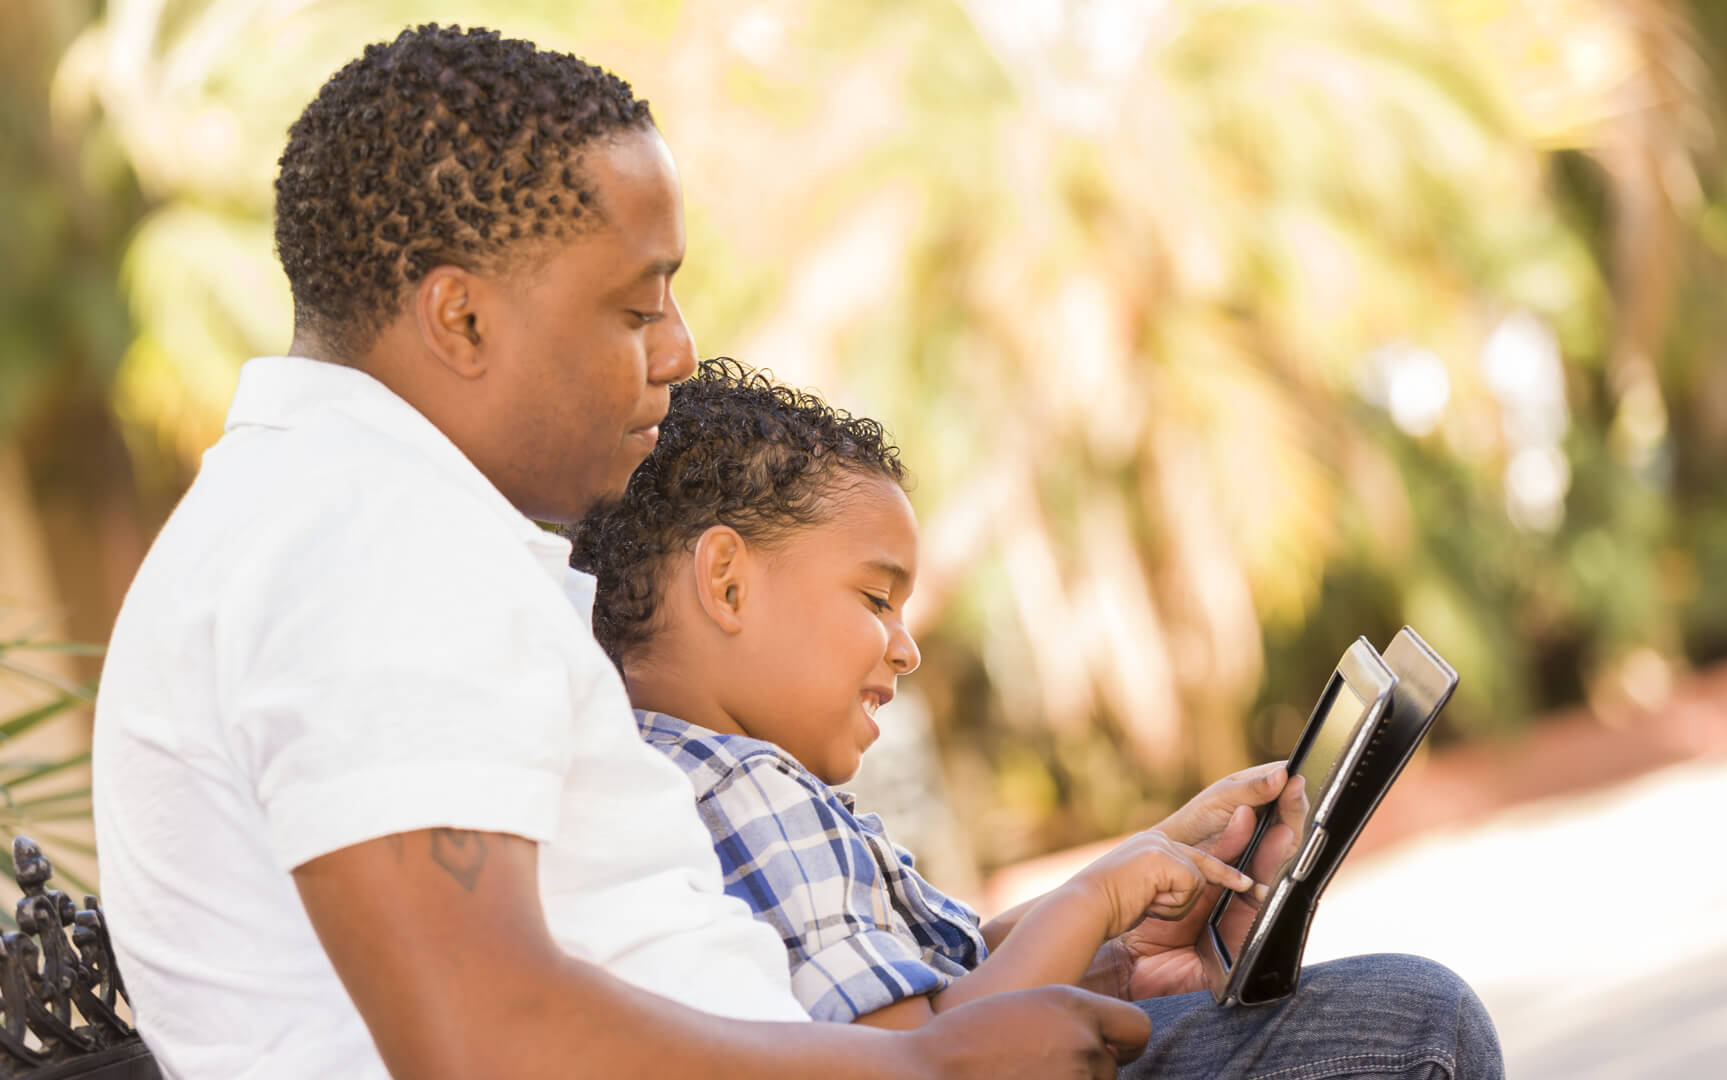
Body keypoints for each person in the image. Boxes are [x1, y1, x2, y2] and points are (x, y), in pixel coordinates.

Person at [91, 24, 1152, 1080]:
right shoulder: (367, 547)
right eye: (637, 306)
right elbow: (479, 1040)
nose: (680, 351)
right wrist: (930, 1069)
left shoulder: (342, 513)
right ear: (461, 319)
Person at [574, 359, 1507, 1077]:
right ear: (727, 581)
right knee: (1416, 1017)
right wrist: (1094, 901)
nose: (906, 648)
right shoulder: (750, 790)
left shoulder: (690, 776)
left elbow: (945, 974)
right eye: (875, 599)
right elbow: (940, 1052)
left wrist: (1123, 921)